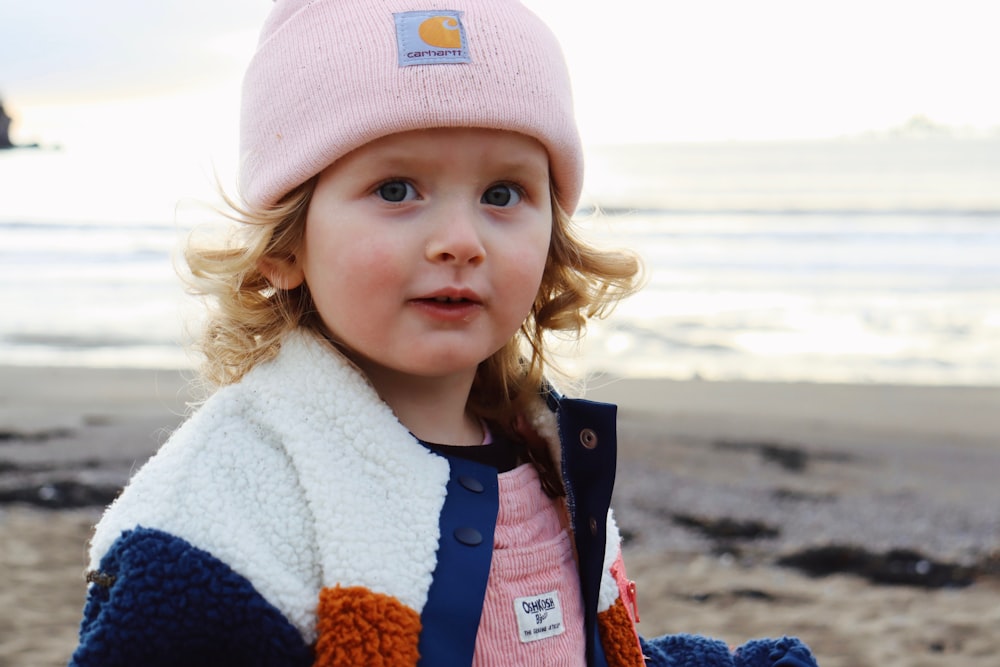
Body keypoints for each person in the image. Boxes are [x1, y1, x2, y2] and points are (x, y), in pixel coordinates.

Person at [70, 1, 820, 666]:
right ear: (285, 244)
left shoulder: (549, 457)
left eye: (503, 193)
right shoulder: (226, 507)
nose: (460, 239)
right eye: (396, 189)